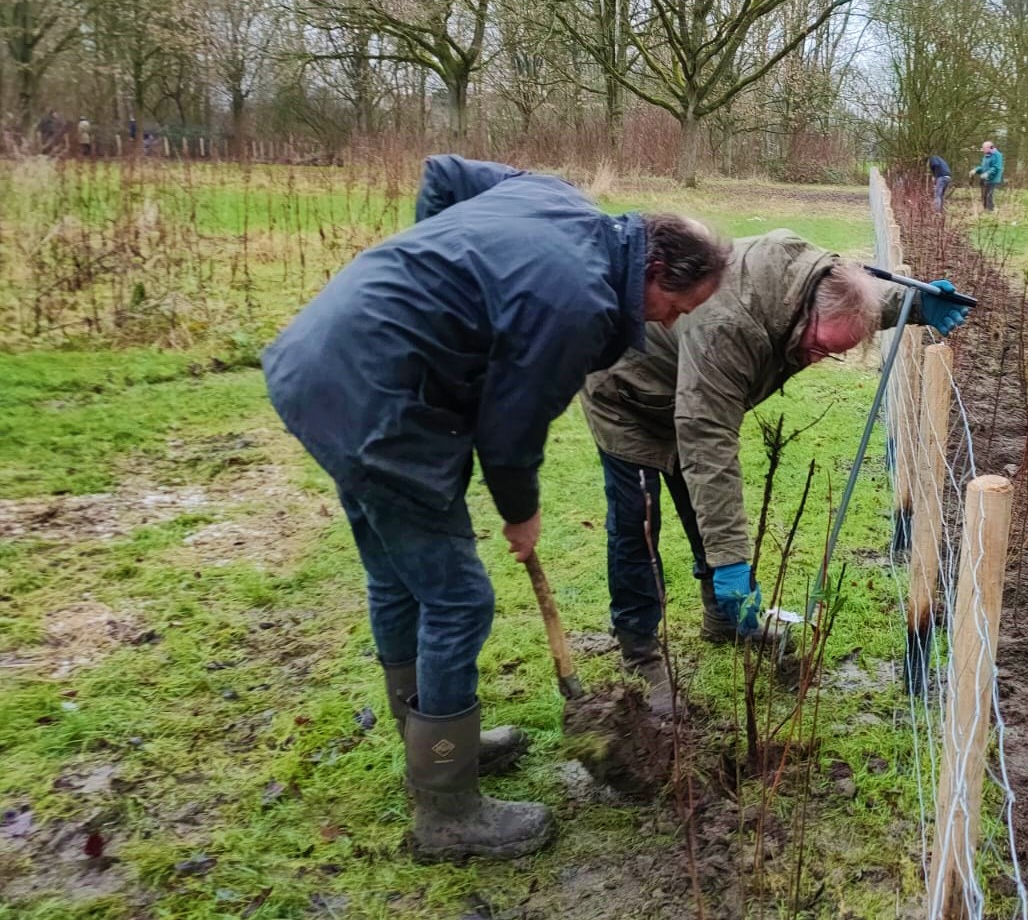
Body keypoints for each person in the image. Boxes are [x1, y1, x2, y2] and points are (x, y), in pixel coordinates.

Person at [262, 155, 730, 862]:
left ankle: (437, 745)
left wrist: (437, 290)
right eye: (678, 308)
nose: (670, 324)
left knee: (398, 578)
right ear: (657, 273)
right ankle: (447, 808)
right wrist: (521, 511)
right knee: (457, 599)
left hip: (323, 363)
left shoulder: (553, 195)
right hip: (380, 404)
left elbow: (443, 175)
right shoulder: (581, 305)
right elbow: (509, 432)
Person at [580, 230, 971, 706]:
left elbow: (855, 301)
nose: (820, 358)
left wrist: (912, 303)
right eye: (819, 347)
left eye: (834, 352)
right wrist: (731, 562)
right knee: (637, 527)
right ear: (801, 312)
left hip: (696, 392)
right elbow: (707, 441)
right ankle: (639, 651)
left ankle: (723, 621)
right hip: (629, 394)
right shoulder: (730, 325)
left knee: (702, 508)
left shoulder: (813, 276)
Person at [971, 140, 1004, 211]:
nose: (983, 150)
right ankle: (986, 210)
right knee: (984, 195)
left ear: (990, 147)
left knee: (989, 195)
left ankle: (991, 210)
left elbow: (997, 167)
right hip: (986, 179)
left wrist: (987, 173)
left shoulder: (997, 155)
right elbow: (983, 168)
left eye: (984, 148)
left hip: (993, 179)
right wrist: (975, 170)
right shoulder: (986, 156)